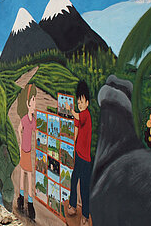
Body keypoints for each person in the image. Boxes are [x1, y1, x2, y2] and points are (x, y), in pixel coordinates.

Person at [66, 80, 92, 225]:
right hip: (78, 156)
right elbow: (75, 130)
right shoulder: (80, 116)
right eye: (78, 102)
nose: (80, 104)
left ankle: (86, 216)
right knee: (73, 179)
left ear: (87, 103)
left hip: (86, 159)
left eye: (82, 102)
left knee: (84, 187)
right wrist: (71, 146)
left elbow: (77, 117)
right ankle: (73, 206)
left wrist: (70, 110)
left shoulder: (86, 115)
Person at [16, 84, 37, 220]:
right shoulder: (25, 119)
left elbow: (37, 132)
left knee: (26, 173)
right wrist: (20, 144)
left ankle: (23, 199)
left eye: (35, 100)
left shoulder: (33, 120)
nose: (35, 103)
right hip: (24, 150)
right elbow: (19, 129)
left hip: (28, 151)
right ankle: (28, 202)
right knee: (26, 174)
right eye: (33, 100)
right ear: (28, 103)